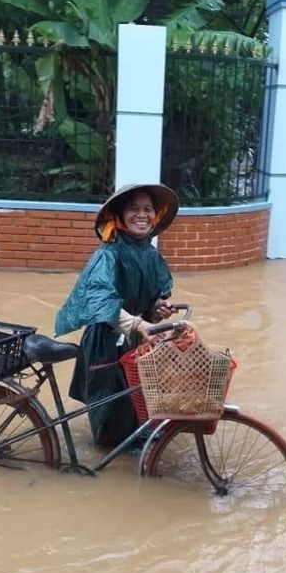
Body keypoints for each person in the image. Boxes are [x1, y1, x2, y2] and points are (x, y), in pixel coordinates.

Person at [54, 183, 179, 447]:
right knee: (112, 413)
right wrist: (137, 323)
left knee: (137, 400)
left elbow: (150, 299)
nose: (142, 214)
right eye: (133, 209)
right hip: (106, 343)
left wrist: (158, 310)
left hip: (135, 338)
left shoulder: (151, 254)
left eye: (148, 209)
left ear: (156, 216)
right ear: (119, 216)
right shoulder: (108, 254)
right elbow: (99, 299)